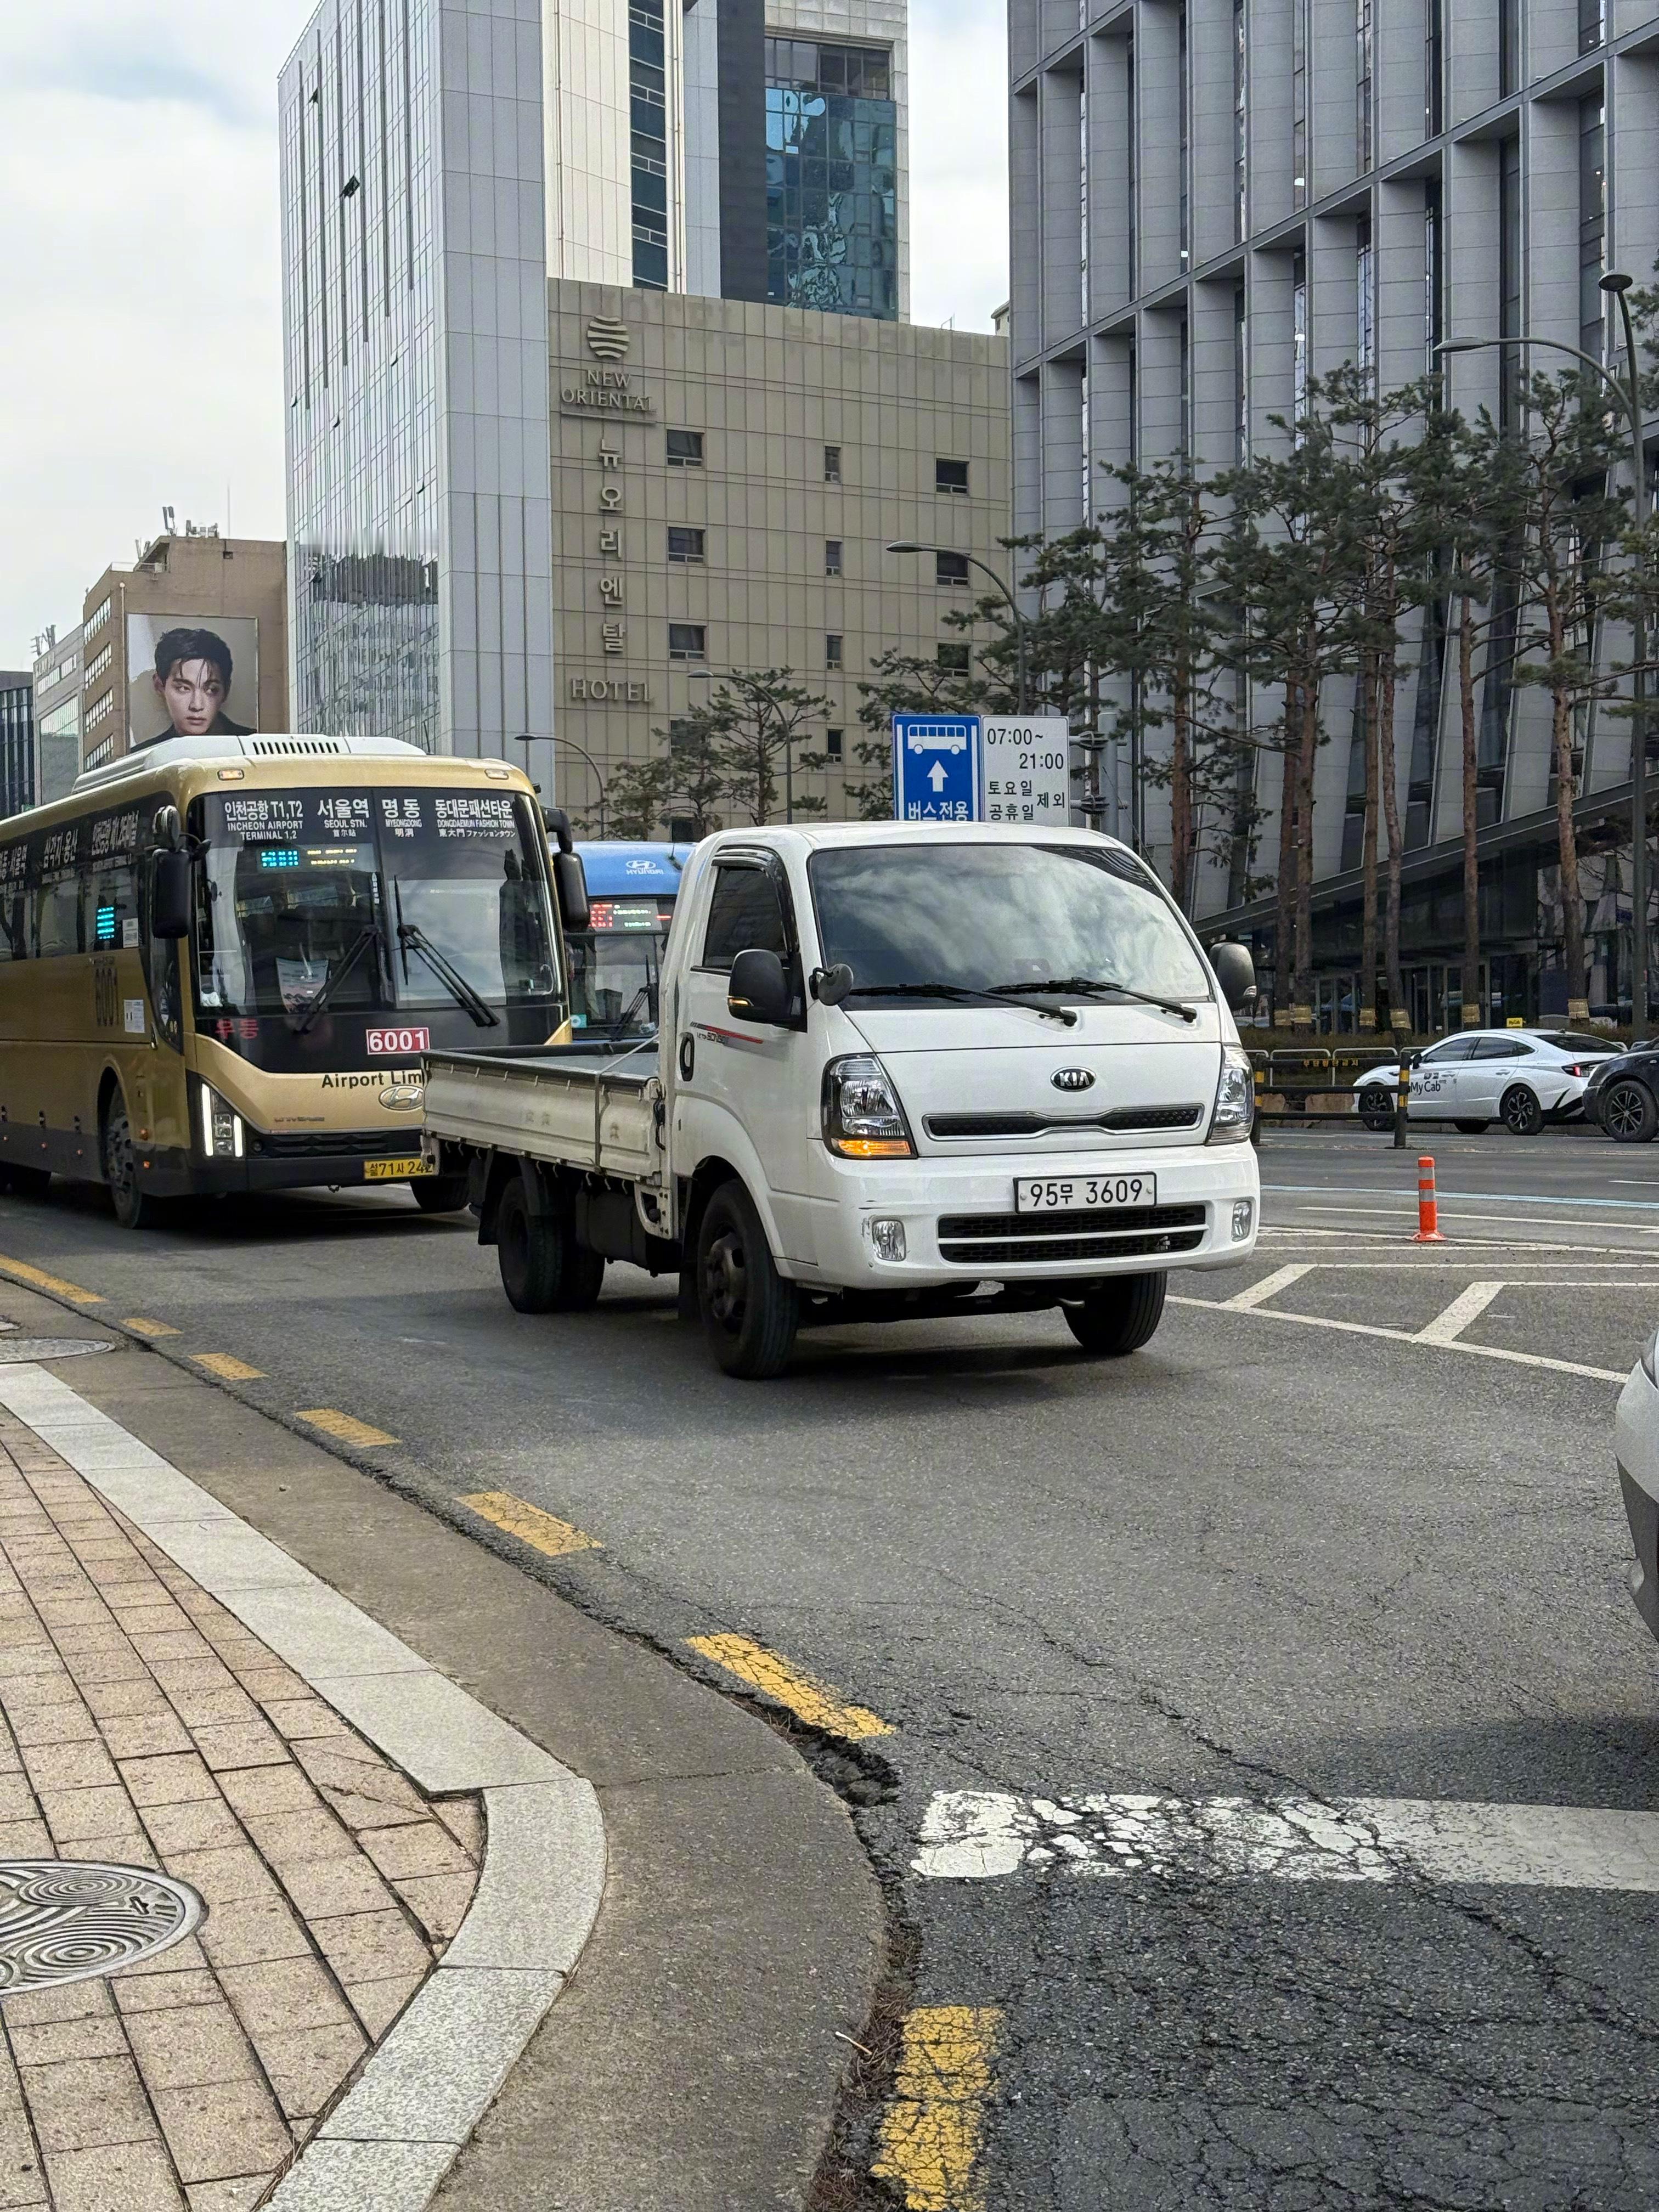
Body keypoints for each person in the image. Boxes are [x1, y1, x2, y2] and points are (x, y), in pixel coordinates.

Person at [148, 627, 252, 741]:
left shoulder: (257, 745)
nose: (197, 706)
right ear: (159, 686)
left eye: (211, 689)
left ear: (226, 691)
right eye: (183, 688)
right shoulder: (147, 751)